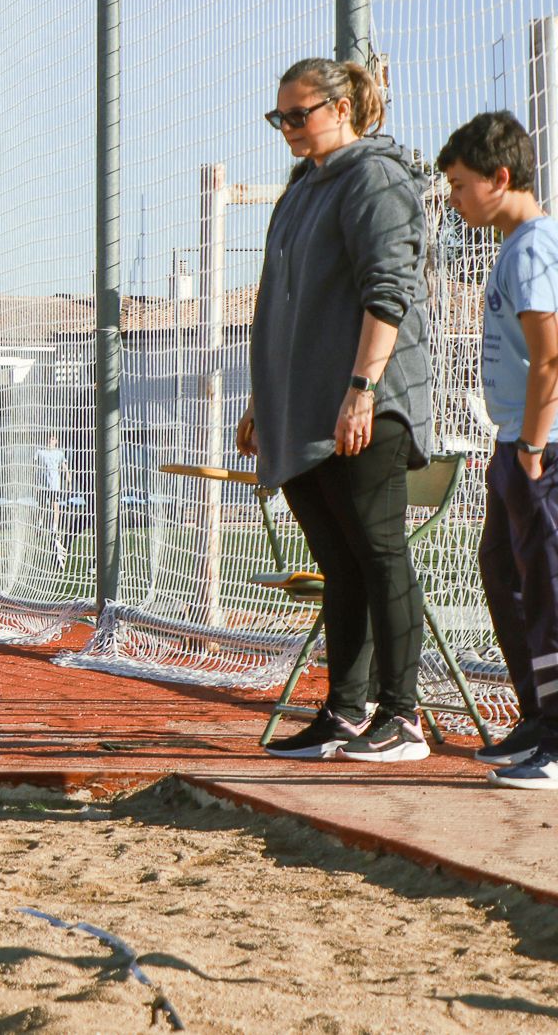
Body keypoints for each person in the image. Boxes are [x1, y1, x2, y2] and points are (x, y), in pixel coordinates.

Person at [239, 59, 434, 763]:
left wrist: (362, 387)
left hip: (364, 403)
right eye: (279, 118)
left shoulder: (375, 175)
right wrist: (263, 399)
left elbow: (390, 287)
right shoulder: (300, 188)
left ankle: (404, 717)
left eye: (300, 114)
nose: (288, 128)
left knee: (379, 551)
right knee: (339, 560)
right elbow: (278, 300)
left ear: (344, 105)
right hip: (303, 407)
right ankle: (345, 712)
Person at [439, 110, 558, 787]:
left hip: (541, 446)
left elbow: (551, 357)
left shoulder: (537, 246)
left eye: (459, 185)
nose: (453, 200)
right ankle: (538, 715)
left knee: (547, 587)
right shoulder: (514, 246)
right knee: (503, 574)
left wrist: (534, 450)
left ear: (500, 177)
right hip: (514, 440)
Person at [33, 432, 69, 556]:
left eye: (53, 438)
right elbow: (35, 467)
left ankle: (54, 527)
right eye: (49, 438)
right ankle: (39, 524)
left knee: (55, 506)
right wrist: (35, 483)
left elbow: (64, 465)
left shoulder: (59, 453)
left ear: (56, 441)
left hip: (54, 484)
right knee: (42, 505)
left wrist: (68, 477)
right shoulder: (40, 452)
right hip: (42, 484)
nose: (50, 440)